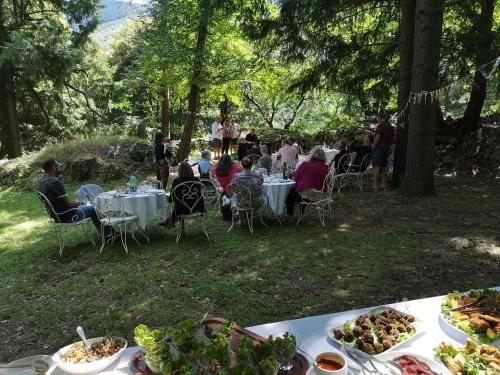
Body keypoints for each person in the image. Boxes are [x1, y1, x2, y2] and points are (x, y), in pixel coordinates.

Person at [37, 159, 112, 238]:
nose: (59, 167)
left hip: (57, 217)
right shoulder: (55, 183)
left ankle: (105, 232)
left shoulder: (42, 184)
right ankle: (109, 234)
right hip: (69, 216)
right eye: (57, 165)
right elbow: (69, 204)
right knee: (94, 209)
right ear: (53, 167)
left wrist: (74, 203)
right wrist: (79, 203)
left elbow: (58, 202)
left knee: (89, 207)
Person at [285, 146, 329, 220]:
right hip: (321, 195)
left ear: (311, 154)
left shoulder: (305, 164)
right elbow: (328, 181)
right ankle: (301, 215)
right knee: (304, 190)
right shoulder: (326, 167)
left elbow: (295, 177)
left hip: (307, 195)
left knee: (289, 195)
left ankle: (290, 216)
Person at [162, 161, 204, 227]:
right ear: (190, 169)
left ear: (179, 171)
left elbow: (171, 199)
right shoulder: (196, 180)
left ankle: (170, 220)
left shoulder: (176, 181)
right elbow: (199, 195)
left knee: (176, 204)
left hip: (181, 209)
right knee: (181, 202)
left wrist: (166, 197)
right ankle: (170, 220)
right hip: (196, 207)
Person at [372, 113, 394, 191]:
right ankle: (383, 185)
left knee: (377, 167)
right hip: (387, 148)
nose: (377, 121)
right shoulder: (390, 127)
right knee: (384, 166)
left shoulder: (380, 126)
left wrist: (373, 147)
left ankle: (375, 186)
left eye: (377, 119)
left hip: (379, 148)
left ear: (380, 118)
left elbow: (377, 138)